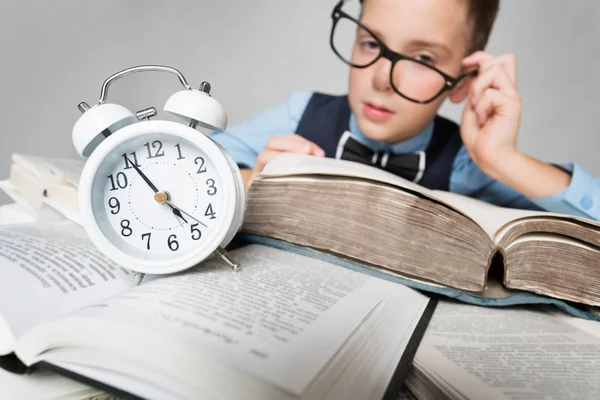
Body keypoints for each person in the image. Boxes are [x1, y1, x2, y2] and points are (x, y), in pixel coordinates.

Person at [210, 0, 599, 221]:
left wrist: (505, 159)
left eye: (423, 58)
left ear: (462, 81)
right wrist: (252, 182)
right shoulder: (302, 117)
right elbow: (174, 172)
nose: (381, 78)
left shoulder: (466, 165)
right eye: (371, 44)